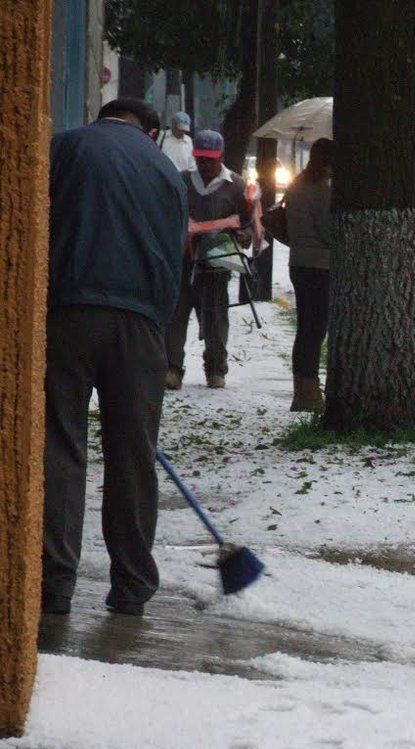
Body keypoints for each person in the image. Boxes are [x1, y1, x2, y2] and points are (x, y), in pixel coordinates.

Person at [43, 97, 188, 616]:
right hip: (141, 324)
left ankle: (53, 581)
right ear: (150, 130)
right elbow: (177, 258)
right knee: (133, 457)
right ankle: (131, 585)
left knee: (61, 444)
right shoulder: (166, 170)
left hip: (69, 312)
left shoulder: (65, 147)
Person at [165, 130, 253, 390]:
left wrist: (244, 236)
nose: (205, 165)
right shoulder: (182, 181)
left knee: (215, 316)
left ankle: (215, 369)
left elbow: (247, 222)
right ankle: (172, 368)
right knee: (177, 315)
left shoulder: (235, 185)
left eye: (210, 160)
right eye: (201, 159)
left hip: (216, 264)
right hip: (183, 262)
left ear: (221, 157)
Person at [284, 138, 333, 412]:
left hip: (298, 262)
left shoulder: (296, 185)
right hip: (319, 265)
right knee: (315, 330)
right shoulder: (320, 191)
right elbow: (327, 231)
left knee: (305, 328)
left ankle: (302, 390)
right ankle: (309, 392)